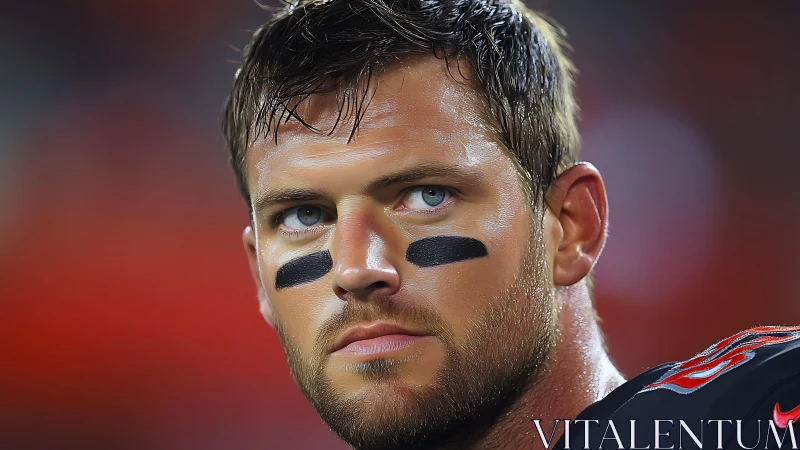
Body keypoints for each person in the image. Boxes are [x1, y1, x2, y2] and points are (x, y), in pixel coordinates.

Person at [221, 1, 800, 449]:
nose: (356, 268)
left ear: (570, 226)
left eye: (426, 196)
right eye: (304, 216)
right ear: (257, 278)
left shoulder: (755, 413)